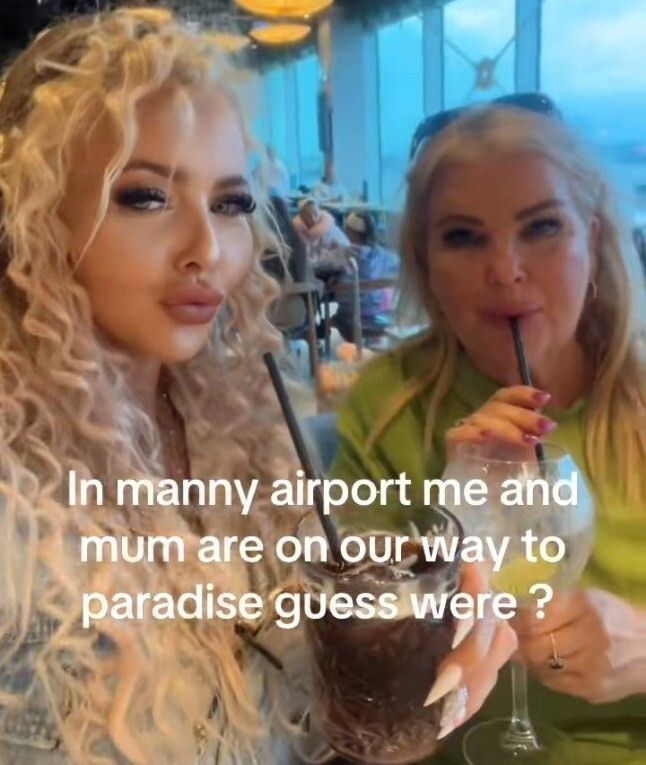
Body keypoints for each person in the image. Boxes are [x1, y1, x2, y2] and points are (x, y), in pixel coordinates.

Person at [0, 8, 515, 764]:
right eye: (146, 197)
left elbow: (299, 726)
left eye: (231, 203)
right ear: (32, 217)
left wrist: (389, 710)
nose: (208, 249)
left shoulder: (242, 425)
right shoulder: (19, 502)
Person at [332, 98, 646, 762]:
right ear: (426, 263)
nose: (504, 269)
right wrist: (447, 533)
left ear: (591, 240)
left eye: (542, 227)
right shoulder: (385, 407)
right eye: (464, 237)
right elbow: (364, 694)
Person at [331, 210, 399, 343]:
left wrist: (334, 284)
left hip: (350, 313)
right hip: (376, 310)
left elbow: (336, 281)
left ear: (351, 232)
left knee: (333, 316)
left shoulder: (347, 254)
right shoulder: (383, 254)